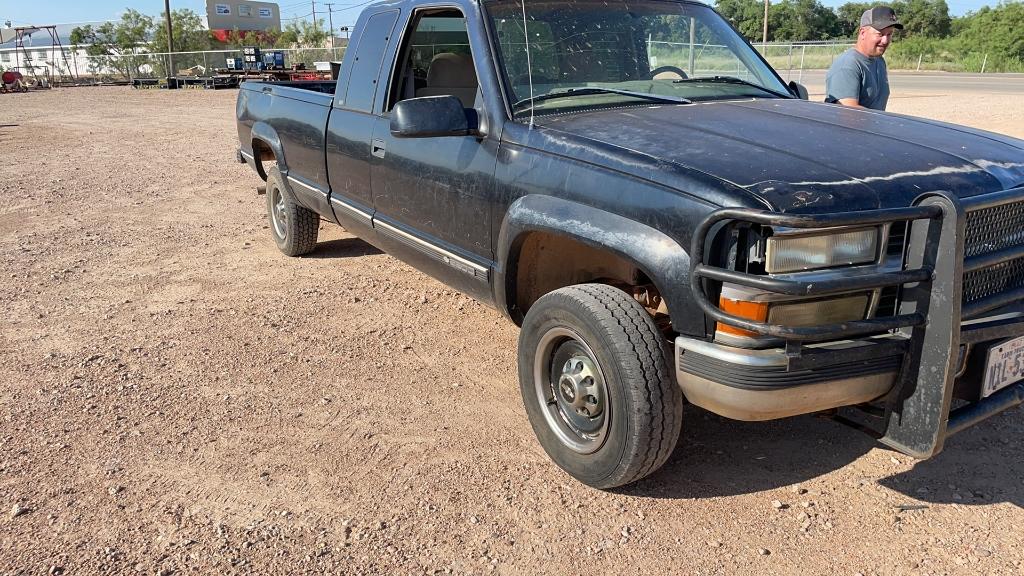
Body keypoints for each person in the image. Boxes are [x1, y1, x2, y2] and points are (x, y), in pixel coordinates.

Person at [825, 6, 903, 110]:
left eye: (889, 34)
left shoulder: (879, 60)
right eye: (880, 34)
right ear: (862, 33)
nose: (885, 40)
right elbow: (847, 113)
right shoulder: (848, 66)